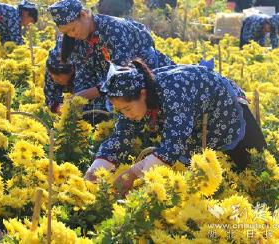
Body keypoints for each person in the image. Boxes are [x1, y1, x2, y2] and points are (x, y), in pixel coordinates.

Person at [84, 59, 267, 194]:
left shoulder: (173, 91)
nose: (126, 114)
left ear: (143, 94)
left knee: (255, 164)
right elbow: (121, 137)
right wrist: (96, 170)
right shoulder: (131, 98)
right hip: (193, 119)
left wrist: (134, 172)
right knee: (198, 171)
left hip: (225, 109)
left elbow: (174, 143)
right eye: (120, 110)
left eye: (127, 108)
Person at [47, 0, 175, 104]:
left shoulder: (114, 29)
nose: (72, 35)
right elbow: (83, 74)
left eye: (73, 29)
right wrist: (76, 101)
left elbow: (121, 74)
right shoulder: (76, 39)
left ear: (84, 15)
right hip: (110, 83)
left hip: (147, 75)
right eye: (67, 33)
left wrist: (84, 95)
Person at [44, 35, 110, 124]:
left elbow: (109, 83)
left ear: (72, 70)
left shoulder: (85, 66)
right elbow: (50, 97)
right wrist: (59, 107)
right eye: (53, 76)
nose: (55, 80)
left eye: (59, 78)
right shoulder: (52, 65)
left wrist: (83, 95)